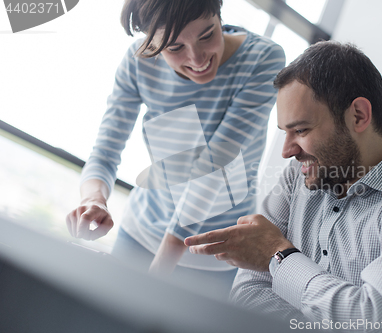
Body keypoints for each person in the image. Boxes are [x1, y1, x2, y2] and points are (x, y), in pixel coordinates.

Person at [185, 41, 382, 331]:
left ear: (359, 115)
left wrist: (280, 255)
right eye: (285, 133)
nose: (287, 151)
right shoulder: (297, 177)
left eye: (300, 130)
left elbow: (379, 321)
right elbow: (249, 293)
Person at [65, 0, 285, 297]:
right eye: (174, 48)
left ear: (220, 16)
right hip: (140, 232)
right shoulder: (139, 62)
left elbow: (216, 166)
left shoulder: (262, 58)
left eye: (207, 35)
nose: (197, 58)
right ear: (150, 43)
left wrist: (160, 268)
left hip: (218, 249)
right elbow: (105, 150)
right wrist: (94, 199)